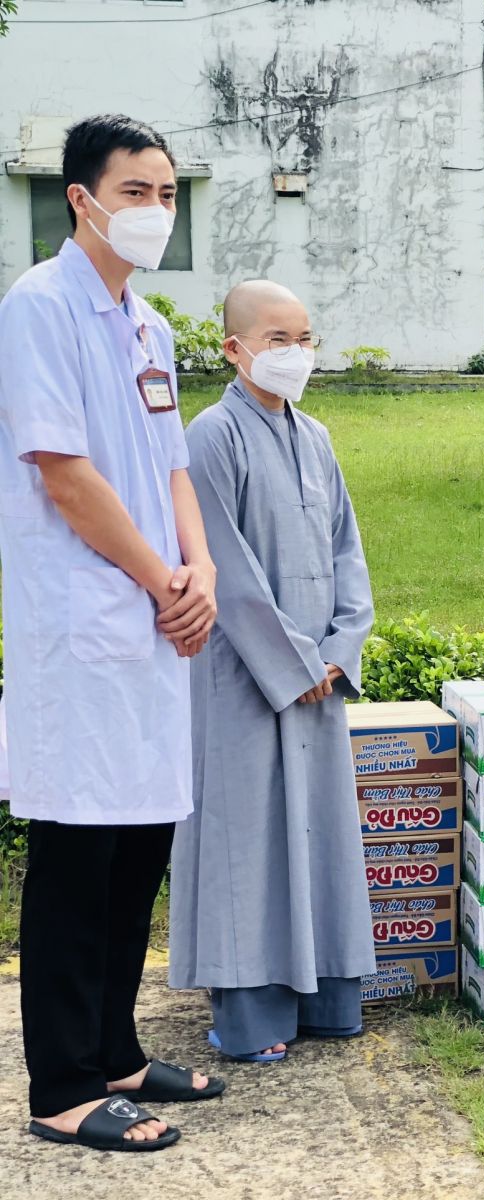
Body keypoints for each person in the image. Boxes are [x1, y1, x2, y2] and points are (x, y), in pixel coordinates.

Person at [0, 114, 222, 1152]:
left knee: (137, 841)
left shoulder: (149, 326)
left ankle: (118, 1050)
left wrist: (201, 571)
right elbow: (64, 472)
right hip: (87, 619)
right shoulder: (40, 308)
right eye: (137, 191)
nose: (156, 212)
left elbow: (171, 466)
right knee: (78, 853)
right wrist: (156, 581)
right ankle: (63, 1086)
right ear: (82, 200)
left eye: (169, 194)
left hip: (152, 617)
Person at [167, 281, 376, 1062]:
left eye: (305, 338)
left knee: (318, 835)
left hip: (317, 676)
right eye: (279, 339)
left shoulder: (316, 437)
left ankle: (327, 1001)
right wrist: (294, 660)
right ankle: (249, 1017)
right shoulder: (209, 437)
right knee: (246, 841)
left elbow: (348, 554)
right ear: (235, 348)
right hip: (246, 679)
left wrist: (338, 648)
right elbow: (224, 563)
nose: (297, 354)